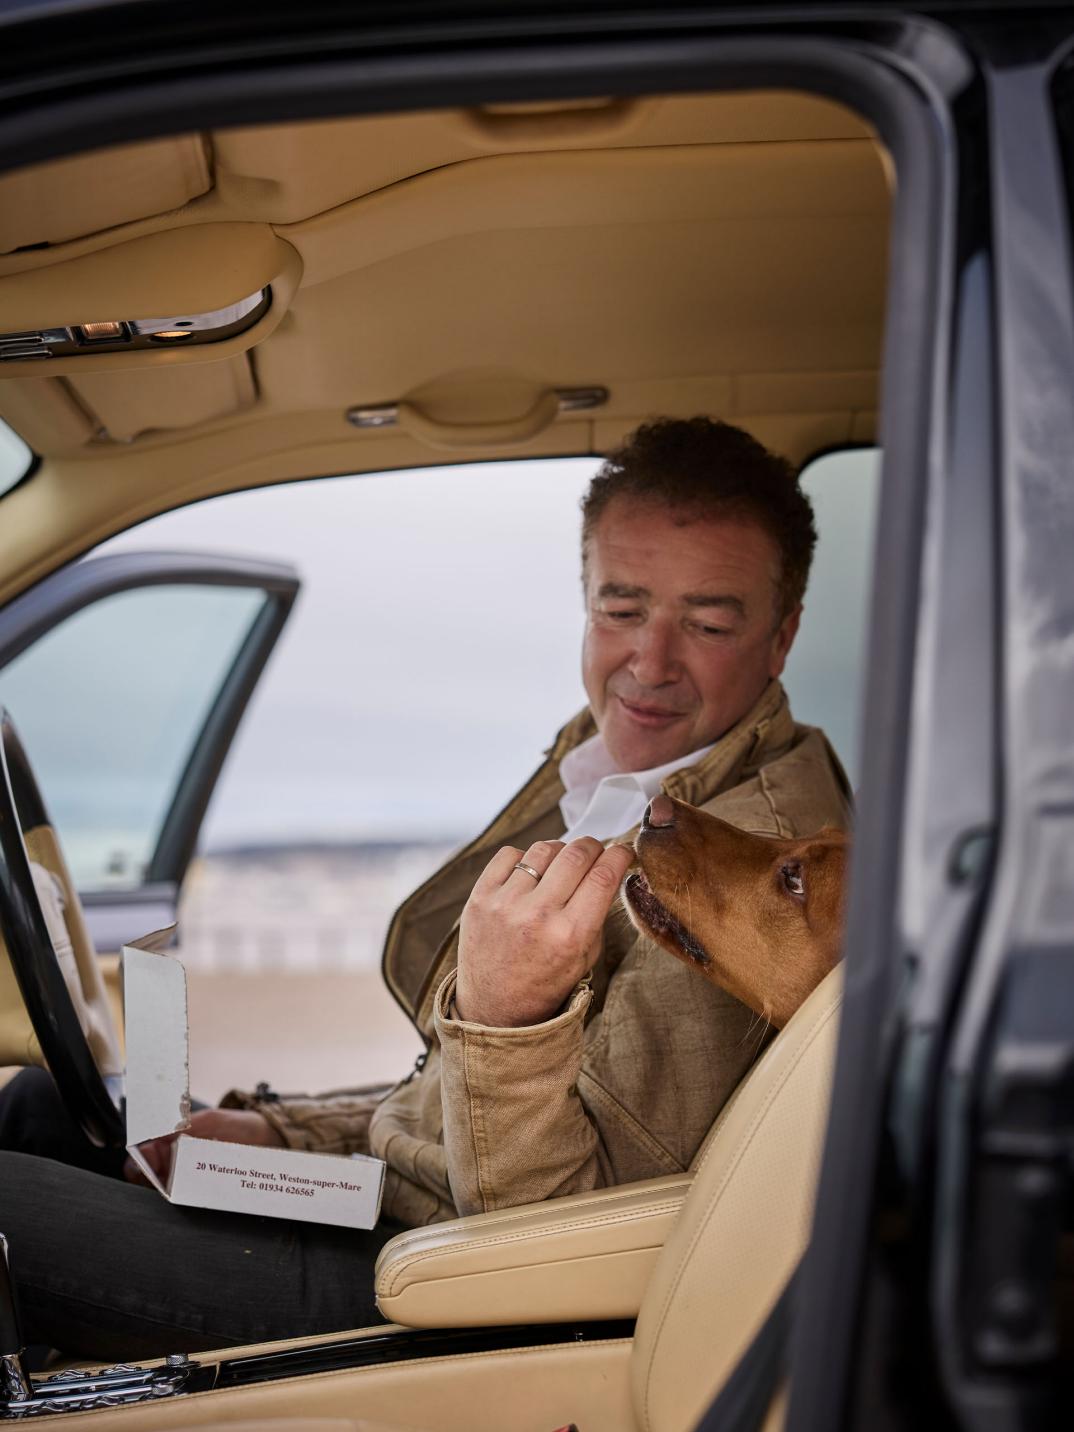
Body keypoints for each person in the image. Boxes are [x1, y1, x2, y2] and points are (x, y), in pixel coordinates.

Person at [0, 417, 851, 1359]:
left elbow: (558, 1248)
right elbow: (456, 1094)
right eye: (620, 608)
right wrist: (280, 1137)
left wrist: (508, 1019)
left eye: (708, 623)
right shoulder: (623, 768)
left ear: (781, 639)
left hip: (433, 1286)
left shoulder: (741, 870)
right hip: (406, 1208)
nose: (648, 665)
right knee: (38, 1104)